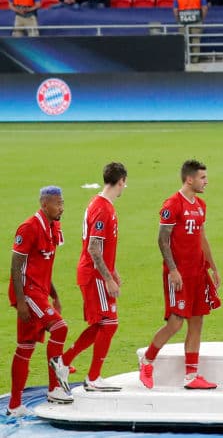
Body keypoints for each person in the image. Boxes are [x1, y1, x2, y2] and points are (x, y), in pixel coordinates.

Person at [139, 160, 220, 391]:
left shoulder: (201, 205)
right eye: (203, 178)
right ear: (189, 179)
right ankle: (148, 360)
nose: (206, 182)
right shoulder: (172, 204)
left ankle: (191, 376)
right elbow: (162, 240)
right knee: (176, 322)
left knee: (197, 322)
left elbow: (202, 239)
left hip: (198, 273)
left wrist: (213, 267)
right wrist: (173, 270)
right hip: (179, 275)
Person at [59, 162, 128, 392]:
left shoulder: (101, 205)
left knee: (101, 324)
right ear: (120, 182)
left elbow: (103, 247)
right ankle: (93, 377)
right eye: (124, 184)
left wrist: (113, 270)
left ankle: (63, 362)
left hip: (97, 272)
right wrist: (108, 278)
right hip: (94, 275)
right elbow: (94, 248)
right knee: (110, 323)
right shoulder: (102, 208)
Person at [7, 185, 73, 415]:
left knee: (25, 347)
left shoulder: (54, 227)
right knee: (60, 328)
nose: (61, 208)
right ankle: (55, 387)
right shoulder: (29, 228)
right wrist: (22, 301)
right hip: (28, 292)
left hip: (40, 292)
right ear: (44, 204)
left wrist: (54, 294)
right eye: (58, 203)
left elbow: (44, 264)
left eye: (63, 203)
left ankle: (14, 405)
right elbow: (16, 265)